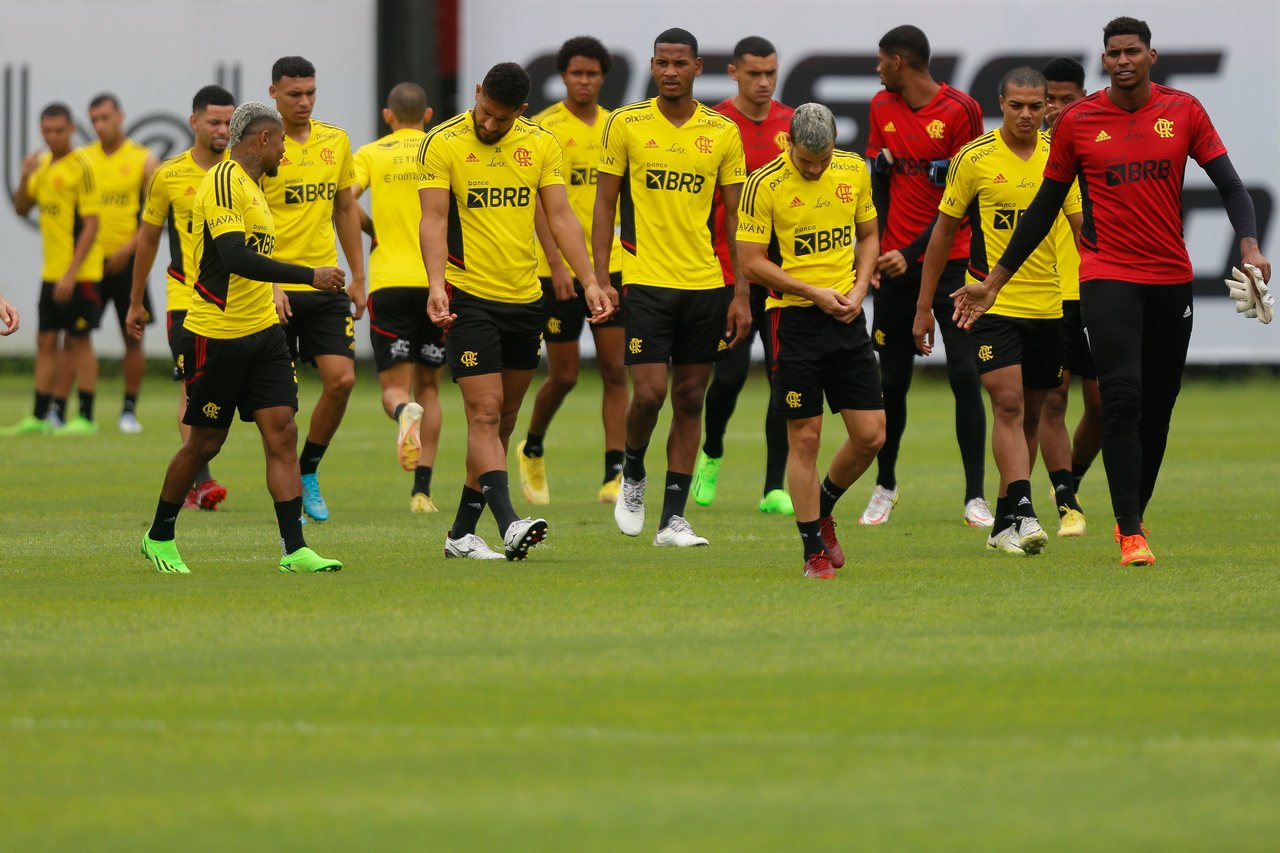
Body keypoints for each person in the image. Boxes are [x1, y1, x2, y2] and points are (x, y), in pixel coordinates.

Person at [954, 17, 1271, 567]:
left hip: (1171, 277)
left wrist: (1248, 245)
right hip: (1107, 275)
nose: (1123, 60)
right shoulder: (1079, 120)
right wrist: (994, 280)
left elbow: (1232, 186)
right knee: (1120, 398)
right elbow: (1044, 208)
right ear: (1104, 60)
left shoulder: (1185, 111)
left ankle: (1135, 510)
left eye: (1133, 51)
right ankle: (1129, 533)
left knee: (1159, 404)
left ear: (1152, 56)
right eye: (1113, 52)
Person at [139, 102, 346, 575]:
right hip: (217, 335)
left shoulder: (253, 186)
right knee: (205, 444)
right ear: (265, 140)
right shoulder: (223, 182)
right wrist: (307, 276)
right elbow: (234, 257)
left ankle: (295, 550)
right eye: (282, 147)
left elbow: (256, 257)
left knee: (283, 433)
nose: (285, 157)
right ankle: (160, 536)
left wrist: (277, 293)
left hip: (263, 335)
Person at [419, 62, 611, 560]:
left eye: (501, 119)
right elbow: (434, 219)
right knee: (483, 414)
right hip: (468, 298)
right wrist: (436, 284)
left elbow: (561, 216)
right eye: (485, 113)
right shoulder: (441, 142)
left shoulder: (541, 144)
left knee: (502, 423)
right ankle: (509, 524)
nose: (489, 125)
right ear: (477, 93)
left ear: (520, 111)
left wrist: (590, 279)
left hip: (526, 300)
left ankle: (461, 533)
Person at [595, 27, 750, 547]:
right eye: (662, 62)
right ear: (653, 65)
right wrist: (601, 278)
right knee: (650, 394)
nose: (669, 71)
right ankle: (633, 473)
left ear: (697, 67)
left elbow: (736, 222)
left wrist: (741, 292)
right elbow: (604, 206)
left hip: (706, 285)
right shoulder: (626, 124)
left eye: (679, 63)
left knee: (689, 398)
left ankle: (674, 520)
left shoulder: (722, 132)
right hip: (646, 281)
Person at [917, 67, 1082, 555]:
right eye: (1018, 105)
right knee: (1007, 405)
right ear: (1001, 103)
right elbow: (942, 234)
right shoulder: (975, 157)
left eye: (1037, 105)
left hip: (1047, 305)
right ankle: (1027, 511)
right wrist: (923, 307)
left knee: (1032, 414)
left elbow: (1081, 227)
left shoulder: (1060, 156)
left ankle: (1004, 521)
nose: (1028, 115)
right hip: (989, 302)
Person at [737, 103, 884, 579]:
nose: (816, 169)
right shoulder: (764, 184)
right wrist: (812, 293)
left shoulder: (853, 169)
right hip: (793, 322)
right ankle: (812, 551)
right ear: (789, 144)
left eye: (823, 160)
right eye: (806, 161)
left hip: (845, 318)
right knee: (806, 437)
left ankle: (822, 507)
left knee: (871, 435)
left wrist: (859, 290)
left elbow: (868, 235)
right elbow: (752, 262)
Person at [863, 24, 990, 528]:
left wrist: (909, 251)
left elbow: (963, 201)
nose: (876, 69)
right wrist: (876, 250)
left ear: (898, 61)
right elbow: (880, 180)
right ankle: (885, 485)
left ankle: (975, 496)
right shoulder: (880, 106)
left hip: (952, 263)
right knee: (891, 383)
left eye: (880, 60)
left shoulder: (960, 111)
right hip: (895, 269)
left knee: (964, 375)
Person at [516, 35, 629, 507]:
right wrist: (560, 264)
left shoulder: (617, 129)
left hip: (612, 269)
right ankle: (533, 447)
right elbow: (543, 208)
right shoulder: (543, 129)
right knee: (562, 376)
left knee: (615, 370)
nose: (584, 81)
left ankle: (616, 473)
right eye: (576, 73)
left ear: (604, 77)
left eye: (592, 73)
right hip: (556, 272)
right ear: (562, 77)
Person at [691, 35, 795, 516]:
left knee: (784, 380)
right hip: (727, 274)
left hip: (782, 278)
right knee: (729, 377)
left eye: (770, 72)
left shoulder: (792, 125)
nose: (764, 82)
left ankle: (775, 484)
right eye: (754, 73)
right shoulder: (713, 124)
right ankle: (711, 453)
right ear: (733, 72)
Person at [262, 56, 367, 523]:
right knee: (281, 408)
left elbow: (345, 209)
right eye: (293, 95)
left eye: (310, 93)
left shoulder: (335, 140)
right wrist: (266, 285)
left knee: (342, 381)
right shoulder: (260, 146)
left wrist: (359, 276)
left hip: (326, 283)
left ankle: (308, 472)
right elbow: (245, 223)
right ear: (273, 94)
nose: (304, 102)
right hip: (277, 288)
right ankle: (288, 497)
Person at [128, 85, 236, 511]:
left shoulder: (243, 172)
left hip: (239, 304)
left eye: (229, 122)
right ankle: (201, 481)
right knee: (193, 390)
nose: (223, 130)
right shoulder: (168, 175)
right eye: (214, 121)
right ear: (193, 122)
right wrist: (136, 301)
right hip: (186, 300)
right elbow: (149, 240)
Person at [351, 82, 442, 513]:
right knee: (432, 388)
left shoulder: (372, 153)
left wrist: (373, 228)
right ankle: (422, 491)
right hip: (438, 282)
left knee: (396, 389)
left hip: (389, 282)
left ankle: (404, 411)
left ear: (388, 116)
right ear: (427, 116)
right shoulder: (441, 148)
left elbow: (342, 200)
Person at [6, 103, 103, 437]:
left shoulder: (83, 165)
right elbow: (21, 208)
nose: (52, 137)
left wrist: (71, 273)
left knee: (79, 341)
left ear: (71, 129)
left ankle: (86, 416)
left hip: (81, 273)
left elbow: (91, 225)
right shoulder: (43, 164)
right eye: (47, 131)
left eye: (59, 130)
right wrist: (24, 175)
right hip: (51, 272)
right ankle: (38, 414)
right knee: (46, 341)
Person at [1035, 57, 1099, 529]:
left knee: (1101, 404)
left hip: (1095, 287)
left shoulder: (1098, 147)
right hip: (1045, 293)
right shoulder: (1025, 152)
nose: (1055, 110)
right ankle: (1066, 501)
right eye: (1048, 100)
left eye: (1065, 100)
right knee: (1052, 400)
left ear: (1083, 97)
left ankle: (1071, 481)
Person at [83, 94, 158, 434]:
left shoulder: (143, 159)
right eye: (94, 119)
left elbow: (155, 215)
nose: (100, 125)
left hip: (127, 263)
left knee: (133, 336)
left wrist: (130, 248)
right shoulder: (82, 159)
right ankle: (82, 412)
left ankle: (129, 410)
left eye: (105, 118)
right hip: (88, 264)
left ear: (120, 116)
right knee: (77, 336)